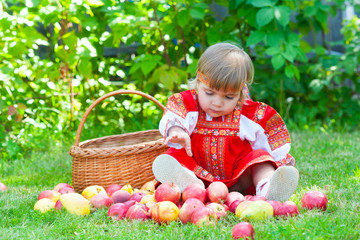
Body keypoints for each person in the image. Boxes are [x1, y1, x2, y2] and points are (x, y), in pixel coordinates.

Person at [152, 42, 298, 202]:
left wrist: (281, 161)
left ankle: (268, 188)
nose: (217, 103)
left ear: (240, 93)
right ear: (198, 83)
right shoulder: (189, 105)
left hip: (239, 179)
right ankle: (187, 184)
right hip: (199, 174)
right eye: (209, 93)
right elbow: (174, 113)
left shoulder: (247, 114)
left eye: (228, 97)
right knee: (175, 155)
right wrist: (176, 131)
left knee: (260, 158)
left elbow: (270, 136)